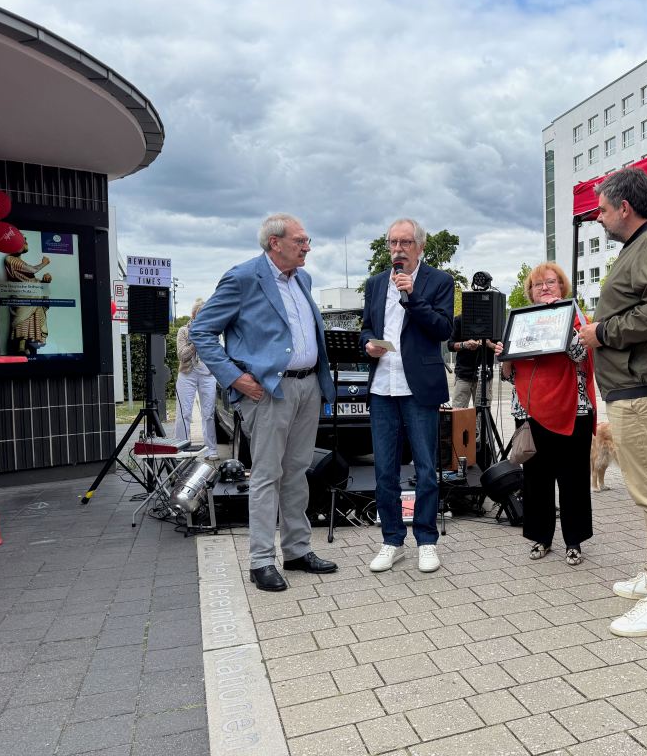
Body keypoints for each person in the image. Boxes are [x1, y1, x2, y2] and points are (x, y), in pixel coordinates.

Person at [191, 213, 337, 593]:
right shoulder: (242, 278)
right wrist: (234, 377)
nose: (307, 247)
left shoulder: (302, 278)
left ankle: (297, 550)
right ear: (275, 243)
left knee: (297, 471)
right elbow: (201, 332)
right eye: (301, 241)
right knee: (267, 475)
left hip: (308, 387)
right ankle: (260, 561)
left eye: (307, 241)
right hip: (269, 391)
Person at [577, 166, 647, 638]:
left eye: (602, 209)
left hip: (644, 387)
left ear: (625, 207)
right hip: (636, 384)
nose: (598, 217)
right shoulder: (643, 245)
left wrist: (603, 332)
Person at [361, 218, 454, 574]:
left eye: (405, 242)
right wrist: (367, 344)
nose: (398, 249)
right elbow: (367, 327)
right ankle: (392, 541)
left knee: (426, 469)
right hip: (382, 387)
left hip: (419, 388)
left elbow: (443, 329)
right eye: (393, 242)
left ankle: (427, 541)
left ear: (420, 246)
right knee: (384, 470)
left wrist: (413, 297)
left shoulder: (439, 281)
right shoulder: (375, 283)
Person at [499, 262, 595, 566]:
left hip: (572, 409)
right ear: (530, 291)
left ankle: (574, 541)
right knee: (536, 480)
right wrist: (504, 356)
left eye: (551, 282)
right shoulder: (520, 322)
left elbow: (580, 354)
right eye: (538, 284)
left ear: (561, 287)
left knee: (573, 479)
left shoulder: (576, 318)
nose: (544, 288)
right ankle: (541, 537)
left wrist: (560, 322)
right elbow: (508, 375)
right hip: (530, 411)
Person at [174, 298, 219, 459]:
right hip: (187, 374)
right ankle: (181, 448)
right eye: (200, 315)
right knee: (184, 413)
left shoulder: (213, 331)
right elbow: (182, 355)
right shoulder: (183, 331)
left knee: (208, 413)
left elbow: (215, 353)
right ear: (194, 316)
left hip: (208, 374)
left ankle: (211, 449)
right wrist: (196, 341)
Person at [448, 274, 499, 408]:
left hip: (484, 375)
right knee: (458, 412)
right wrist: (464, 344)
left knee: (481, 412)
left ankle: (479, 423)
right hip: (463, 374)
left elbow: (501, 347)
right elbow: (450, 345)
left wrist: (488, 344)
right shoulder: (459, 320)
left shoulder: (492, 321)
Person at [4, 239, 52, 356]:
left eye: (25, 239)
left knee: (32, 320)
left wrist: (45, 281)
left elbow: (31, 280)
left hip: (33, 296)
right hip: (22, 296)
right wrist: (44, 263)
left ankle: (28, 347)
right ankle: (21, 347)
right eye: (22, 239)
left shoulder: (18, 261)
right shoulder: (10, 259)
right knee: (22, 320)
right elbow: (32, 270)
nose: (25, 241)